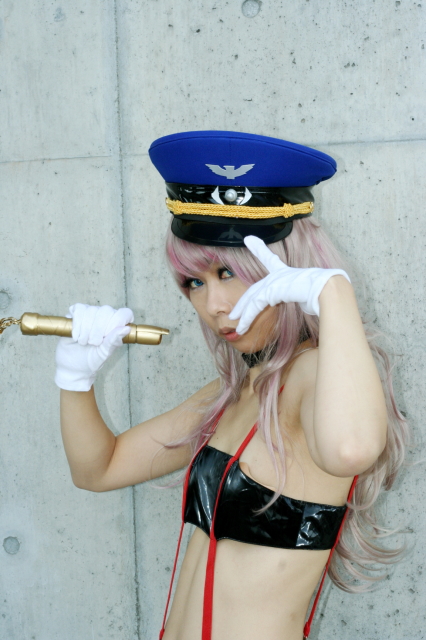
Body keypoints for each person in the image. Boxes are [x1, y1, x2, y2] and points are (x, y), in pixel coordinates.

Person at [55, 131, 409, 640]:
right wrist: (75, 378)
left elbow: (351, 450)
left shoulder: (311, 375)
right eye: (195, 282)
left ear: (287, 268)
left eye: (228, 272)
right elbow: (99, 469)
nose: (213, 305)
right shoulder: (235, 391)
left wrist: (333, 295)